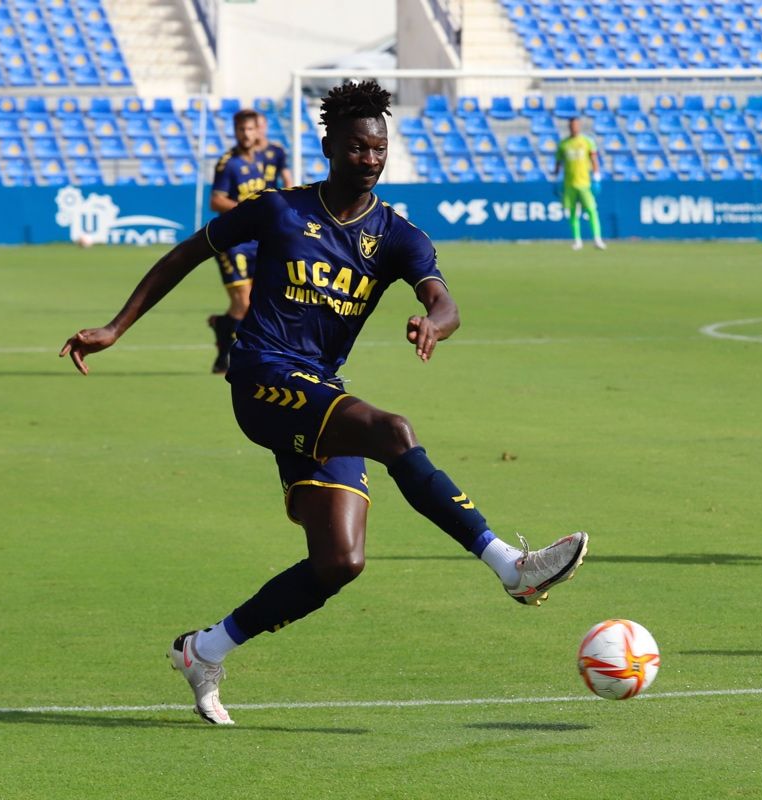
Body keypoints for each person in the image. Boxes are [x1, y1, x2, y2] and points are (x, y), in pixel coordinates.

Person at [59, 80, 588, 725]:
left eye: (380, 148)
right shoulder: (280, 210)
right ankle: (510, 564)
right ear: (330, 146)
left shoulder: (396, 234)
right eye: (359, 148)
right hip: (261, 378)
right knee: (393, 431)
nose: (371, 159)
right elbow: (186, 254)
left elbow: (443, 301)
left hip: (317, 395)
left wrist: (434, 324)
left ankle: (204, 650)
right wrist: (116, 327)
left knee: (340, 561)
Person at [206, 108, 267, 374]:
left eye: (250, 129)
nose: (246, 134)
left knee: (247, 304)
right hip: (232, 242)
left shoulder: (261, 160)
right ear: (235, 132)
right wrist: (246, 208)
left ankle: (223, 330)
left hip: (256, 240)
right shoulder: (228, 163)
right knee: (245, 303)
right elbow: (216, 200)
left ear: (257, 131)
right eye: (241, 129)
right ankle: (239, 356)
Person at [554, 117, 605, 251]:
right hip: (569, 184)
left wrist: (597, 177)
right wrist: (555, 179)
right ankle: (577, 240)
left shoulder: (587, 142)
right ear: (569, 127)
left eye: (576, 125)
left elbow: (594, 159)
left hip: (585, 183)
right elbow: (558, 163)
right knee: (572, 213)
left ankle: (597, 239)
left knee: (592, 211)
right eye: (572, 125)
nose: (574, 128)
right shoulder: (563, 144)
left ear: (579, 126)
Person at [256, 110, 294, 189]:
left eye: (260, 126)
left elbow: (288, 181)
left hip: (270, 198)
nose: (258, 130)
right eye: (255, 127)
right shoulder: (243, 153)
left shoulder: (277, 151)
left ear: (266, 126)